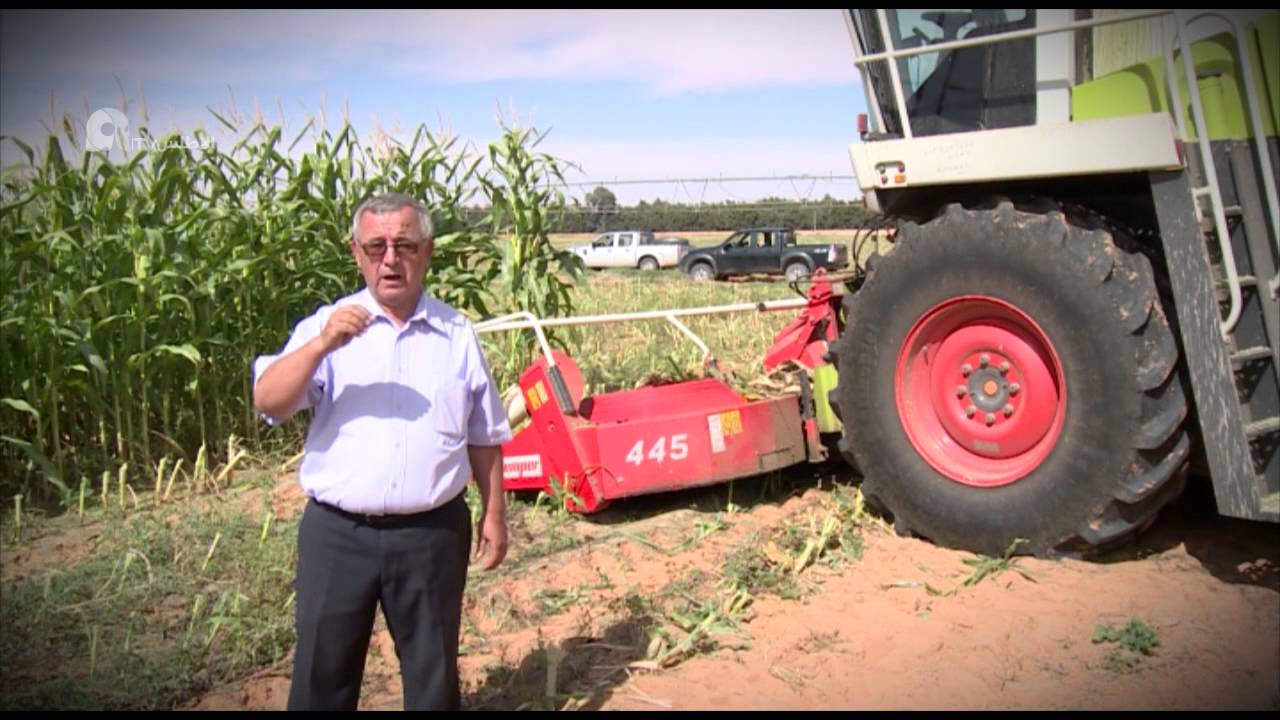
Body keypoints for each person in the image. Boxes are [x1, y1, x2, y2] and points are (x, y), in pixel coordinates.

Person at [252, 192, 511, 710]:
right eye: (376, 246)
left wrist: (496, 514)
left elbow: (484, 432)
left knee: (432, 676)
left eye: (404, 245)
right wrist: (322, 345)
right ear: (356, 252)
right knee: (321, 678)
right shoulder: (327, 328)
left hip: (432, 534)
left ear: (427, 251)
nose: (390, 258)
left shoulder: (456, 334)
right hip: (338, 536)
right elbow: (269, 401)